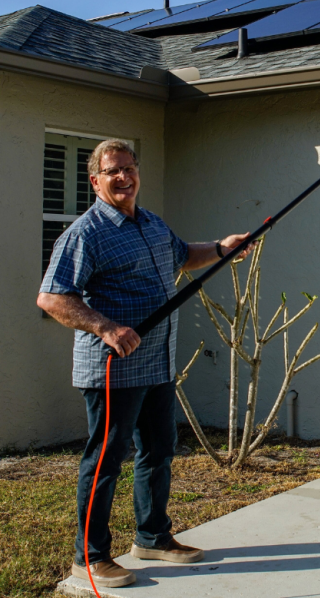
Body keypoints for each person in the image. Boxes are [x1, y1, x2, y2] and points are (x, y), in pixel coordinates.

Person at [38, 139, 253, 589]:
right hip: (114, 367)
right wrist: (106, 328)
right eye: (113, 171)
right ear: (95, 180)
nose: (124, 178)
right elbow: (52, 297)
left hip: (157, 363)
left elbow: (180, 257)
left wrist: (219, 247)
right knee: (105, 460)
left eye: (129, 169)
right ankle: (90, 556)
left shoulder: (151, 223)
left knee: (159, 451)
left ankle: (153, 536)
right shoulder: (85, 233)